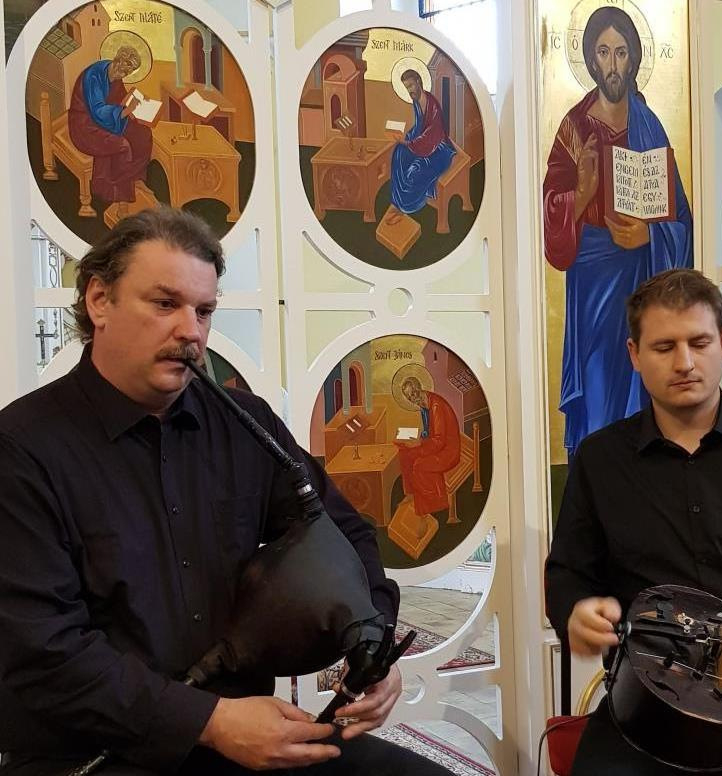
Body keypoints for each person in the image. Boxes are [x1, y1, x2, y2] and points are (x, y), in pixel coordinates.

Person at [0, 208, 453, 776]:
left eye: (204, 310)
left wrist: (372, 638)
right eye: (164, 304)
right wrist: (209, 722)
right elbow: (45, 653)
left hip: (247, 739)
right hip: (96, 753)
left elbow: (343, 532)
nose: (191, 331)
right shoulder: (22, 448)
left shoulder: (245, 423)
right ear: (99, 300)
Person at [545, 268, 722, 775]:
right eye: (664, 346)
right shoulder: (600, 459)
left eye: (699, 342)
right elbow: (567, 573)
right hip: (647, 712)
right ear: (634, 354)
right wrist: (577, 610)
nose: (685, 362)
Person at [543, 7, 693, 456]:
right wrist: (582, 193)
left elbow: (682, 219)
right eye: (604, 52)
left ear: (633, 59)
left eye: (621, 53)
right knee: (596, 385)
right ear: (591, 58)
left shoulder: (649, 125)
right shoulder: (574, 127)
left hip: (641, 281)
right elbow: (550, 213)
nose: (612, 64)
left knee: (641, 384)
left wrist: (650, 236)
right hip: (592, 283)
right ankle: (596, 481)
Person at [68, 47, 153, 215]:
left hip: (107, 121)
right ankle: (120, 198)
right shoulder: (94, 76)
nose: (126, 72)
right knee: (122, 145)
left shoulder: (115, 75)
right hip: (85, 125)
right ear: (118, 60)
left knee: (143, 135)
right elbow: (98, 111)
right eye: (126, 67)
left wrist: (139, 102)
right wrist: (126, 111)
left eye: (130, 70)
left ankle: (135, 177)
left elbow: (120, 99)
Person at [385, 69, 456, 226]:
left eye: (411, 85)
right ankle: (397, 202)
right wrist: (404, 139)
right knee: (399, 154)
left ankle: (406, 207)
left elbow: (431, 137)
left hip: (439, 151)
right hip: (421, 145)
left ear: (418, 82)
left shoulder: (433, 106)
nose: (409, 90)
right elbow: (418, 128)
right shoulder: (417, 102)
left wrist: (407, 143)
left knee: (415, 169)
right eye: (406, 87)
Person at [394, 376, 460, 517]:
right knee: (405, 454)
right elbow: (429, 431)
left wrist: (419, 444)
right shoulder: (424, 405)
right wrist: (416, 439)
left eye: (413, 393)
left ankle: (434, 504)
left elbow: (439, 441)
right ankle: (411, 494)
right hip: (435, 445)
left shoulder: (435, 406)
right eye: (409, 397)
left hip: (448, 450)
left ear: (419, 388)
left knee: (419, 465)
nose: (412, 398)